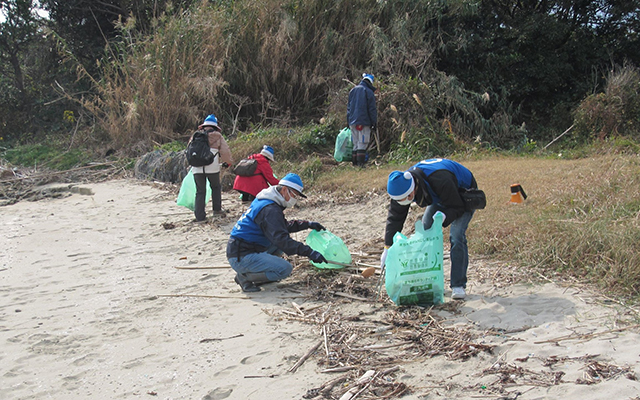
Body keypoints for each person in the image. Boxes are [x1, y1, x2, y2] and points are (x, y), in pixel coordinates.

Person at [381, 158, 479, 300]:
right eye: (400, 200)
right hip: (440, 195)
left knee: (456, 236)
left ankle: (458, 285)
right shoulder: (400, 187)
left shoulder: (440, 180)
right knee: (425, 230)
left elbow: (458, 206)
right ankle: (425, 278)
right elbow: (395, 218)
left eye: (406, 198)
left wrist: (445, 216)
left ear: (412, 189)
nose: (403, 202)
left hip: (462, 193)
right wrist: (387, 247)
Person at [226, 173, 328, 292]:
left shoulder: (266, 200)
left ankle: (259, 271)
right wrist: (309, 252)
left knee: (277, 246)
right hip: (241, 256)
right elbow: (282, 240)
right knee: (284, 269)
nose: (295, 200)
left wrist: (307, 224)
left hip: (241, 249)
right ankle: (244, 277)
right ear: (284, 190)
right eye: (294, 195)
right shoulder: (270, 209)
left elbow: (281, 227)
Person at [190, 114, 233, 222]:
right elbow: (225, 151)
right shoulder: (217, 136)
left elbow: (190, 151)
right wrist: (228, 162)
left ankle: (200, 216)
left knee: (200, 191)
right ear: (215, 126)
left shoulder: (195, 136)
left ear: (204, 126)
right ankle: (217, 210)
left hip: (196, 168)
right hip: (212, 167)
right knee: (215, 187)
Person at [347, 73, 377, 167]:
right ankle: (361, 164)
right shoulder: (368, 91)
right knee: (363, 142)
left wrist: (348, 121)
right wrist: (374, 122)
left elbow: (349, 108)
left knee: (355, 143)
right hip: (364, 121)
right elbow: (372, 109)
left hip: (352, 121)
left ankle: (355, 163)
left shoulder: (352, 91)